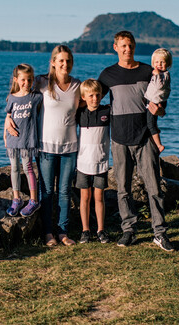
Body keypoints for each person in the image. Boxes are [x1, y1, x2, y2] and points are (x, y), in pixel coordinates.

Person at [98, 31, 175, 252]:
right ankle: (129, 230)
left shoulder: (147, 71)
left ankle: (159, 233)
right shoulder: (108, 75)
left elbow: (161, 107)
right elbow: (92, 101)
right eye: (122, 46)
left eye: (130, 45)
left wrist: (158, 110)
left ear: (134, 46)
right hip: (119, 139)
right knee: (123, 189)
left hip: (145, 139)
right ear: (115, 47)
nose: (127, 49)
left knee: (154, 188)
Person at [6, 45, 80, 247]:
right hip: (45, 147)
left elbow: (89, 106)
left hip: (70, 147)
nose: (65, 64)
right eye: (61, 60)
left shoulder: (77, 86)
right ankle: (48, 233)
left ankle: (63, 232)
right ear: (53, 62)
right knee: (47, 192)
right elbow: (18, 94)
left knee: (64, 191)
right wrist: (8, 117)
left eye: (68, 60)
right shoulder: (40, 82)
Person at [3, 64, 42, 217]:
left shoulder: (36, 97)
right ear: (16, 80)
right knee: (14, 168)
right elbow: (7, 117)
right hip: (13, 140)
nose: (26, 83)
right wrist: (5, 134)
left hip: (28, 139)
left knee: (28, 168)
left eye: (30, 80)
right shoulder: (11, 98)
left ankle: (33, 200)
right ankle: (16, 199)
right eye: (23, 80)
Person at [75, 79, 111, 244]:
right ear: (83, 97)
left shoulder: (107, 111)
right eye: (91, 96)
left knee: (99, 197)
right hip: (83, 162)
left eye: (97, 95)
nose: (95, 98)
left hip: (101, 161)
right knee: (85, 197)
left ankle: (101, 230)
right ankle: (85, 230)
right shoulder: (79, 114)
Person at [144, 48, 173, 153]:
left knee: (150, 124)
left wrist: (156, 75)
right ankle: (154, 142)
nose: (159, 64)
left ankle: (159, 145)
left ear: (168, 64)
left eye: (162, 62)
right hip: (154, 100)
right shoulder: (160, 74)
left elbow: (159, 86)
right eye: (156, 62)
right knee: (151, 123)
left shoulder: (164, 75)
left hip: (155, 102)